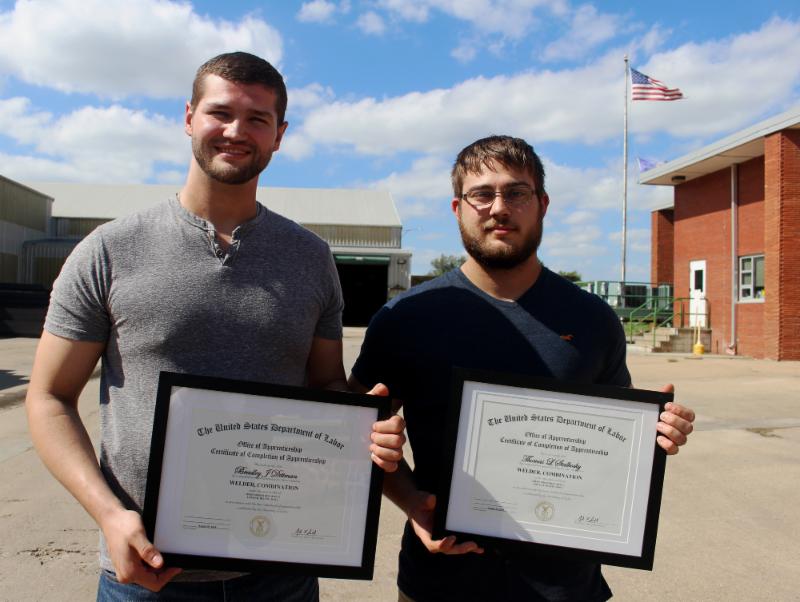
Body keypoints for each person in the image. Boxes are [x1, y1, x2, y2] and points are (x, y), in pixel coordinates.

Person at [25, 51, 405, 601]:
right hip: (149, 573)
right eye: (220, 113)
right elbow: (49, 397)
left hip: (282, 568)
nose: (236, 131)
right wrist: (108, 514)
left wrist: (364, 427)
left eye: (257, 119)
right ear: (188, 117)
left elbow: (326, 383)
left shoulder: (310, 257)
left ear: (279, 135)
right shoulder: (109, 250)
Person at [349, 135, 695, 602]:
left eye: (516, 192)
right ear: (457, 208)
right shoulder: (404, 318)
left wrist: (656, 433)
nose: (499, 208)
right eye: (481, 194)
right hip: (440, 582)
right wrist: (411, 500)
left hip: (567, 586)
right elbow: (354, 432)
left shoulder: (593, 319)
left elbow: (615, 439)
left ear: (542, 205)